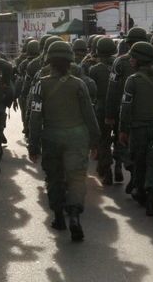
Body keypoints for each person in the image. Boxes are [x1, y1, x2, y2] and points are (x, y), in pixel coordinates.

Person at [28, 41, 100, 241]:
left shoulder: (40, 85)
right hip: (77, 137)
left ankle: (59, 216)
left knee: (54, 178)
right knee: (76, 177)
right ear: (70, 62)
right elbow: (89, 115)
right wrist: (96, 142)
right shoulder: (79, 84)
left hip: (51, 137)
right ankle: (75, 215)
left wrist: (33, 145)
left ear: (49, 61)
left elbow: (34, 117)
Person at [119, 42, 153, 215]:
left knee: (139, 161)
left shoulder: (132, 80)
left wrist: (123, 129)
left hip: (138, 128)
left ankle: (140, 191)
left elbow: (125, 108)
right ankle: (151, 197)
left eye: (133, 57)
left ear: (139, 59)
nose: (130, 59)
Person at [106, 27, 148, 188]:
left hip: (123, 110)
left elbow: (112, 90)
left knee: (121, 141)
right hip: (146, 114)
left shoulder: (120, 61)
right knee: (142, 148)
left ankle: (123, 167)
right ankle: (135, 175)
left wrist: (110, 114)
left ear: (128, 43)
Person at [89, 37, 118, 185]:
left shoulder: (94, 69)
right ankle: (118, 168)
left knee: (104, 140)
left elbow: (91, 92)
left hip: (101, 108)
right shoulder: (120, 66)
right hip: (119, 108)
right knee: (121, 140)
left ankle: (107, 171)